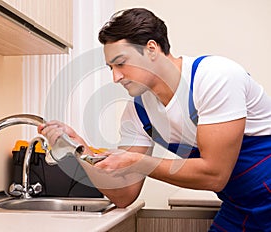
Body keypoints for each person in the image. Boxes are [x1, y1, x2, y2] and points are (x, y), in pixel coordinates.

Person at [39, 8, 271, 231]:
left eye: (121, 63)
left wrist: (138, 162)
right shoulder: (138, 113)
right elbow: (123, 194)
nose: (116, 77)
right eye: (111, 67)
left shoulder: (214, 77)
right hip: (241, 207)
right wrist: (79, 148)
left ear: (151, 49)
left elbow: (215, 175)